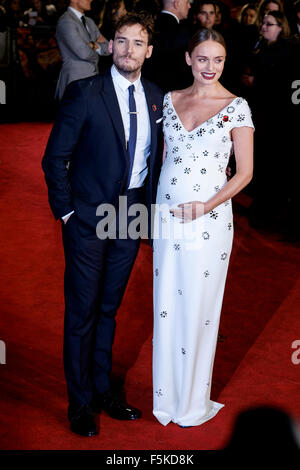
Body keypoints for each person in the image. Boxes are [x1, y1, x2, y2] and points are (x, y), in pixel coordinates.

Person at [42, 12, 164, 437]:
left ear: (149, 51)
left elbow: (155, 161)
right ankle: (79, 402)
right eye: (121, 41)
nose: (128, 50)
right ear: (110, 45)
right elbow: (54, 158)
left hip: (130, 214)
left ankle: (101, 389)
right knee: (82, 312)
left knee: (109, 309)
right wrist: (68, 212)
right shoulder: (85, 93)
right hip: (88, 215)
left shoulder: (154, 96)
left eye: (137, 43)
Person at [152, 28, 254, 427]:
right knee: (166, 306)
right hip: (167, 219)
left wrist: (207, 205)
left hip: (208, 222)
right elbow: (163, 160)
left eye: (218, 60)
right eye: (203, 59)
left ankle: (192, 401)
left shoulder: (237, 106)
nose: (210, 67)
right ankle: (166, 398)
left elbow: (245, 173)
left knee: (198, 307)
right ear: (188, 60)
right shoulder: (170, 100)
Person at [249, 11, 300, 239]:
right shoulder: (265, 49)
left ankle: (266, 213)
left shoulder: (287, 53)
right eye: (263, 23)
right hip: (266, 117)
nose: (264, 27)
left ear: (282, 27)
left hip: (277, 120)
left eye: (269, 24)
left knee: (272, 167)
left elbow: (287, 90)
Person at [55, 0, 110, 101]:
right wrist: (98, 48)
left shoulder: (89, 21)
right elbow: (83, 53)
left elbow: (109, 47)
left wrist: (93, 45)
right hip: (75, 81)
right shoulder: (66, 21)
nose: (91, 0)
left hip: (93, 82)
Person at [143, 0, 192, 92]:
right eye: (187, 3)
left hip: (147, 90)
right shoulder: (182, 32)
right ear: (176, 4)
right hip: (172, 93)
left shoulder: (148, 26)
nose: (189, 6)